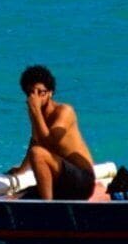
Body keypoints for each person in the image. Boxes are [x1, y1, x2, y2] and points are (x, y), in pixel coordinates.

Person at [10, 64, 97, 200]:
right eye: (31, 93)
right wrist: (21, 169)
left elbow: (47, 144)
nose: (36, 98)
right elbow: (35, 140)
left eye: (41, 92)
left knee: (37, 153)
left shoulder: (64, 111)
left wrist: (36, 112)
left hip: (81, 180)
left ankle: (48, 207)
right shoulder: (37, 114)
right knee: (16, 197)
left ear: (50, 92)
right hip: (60, 178)